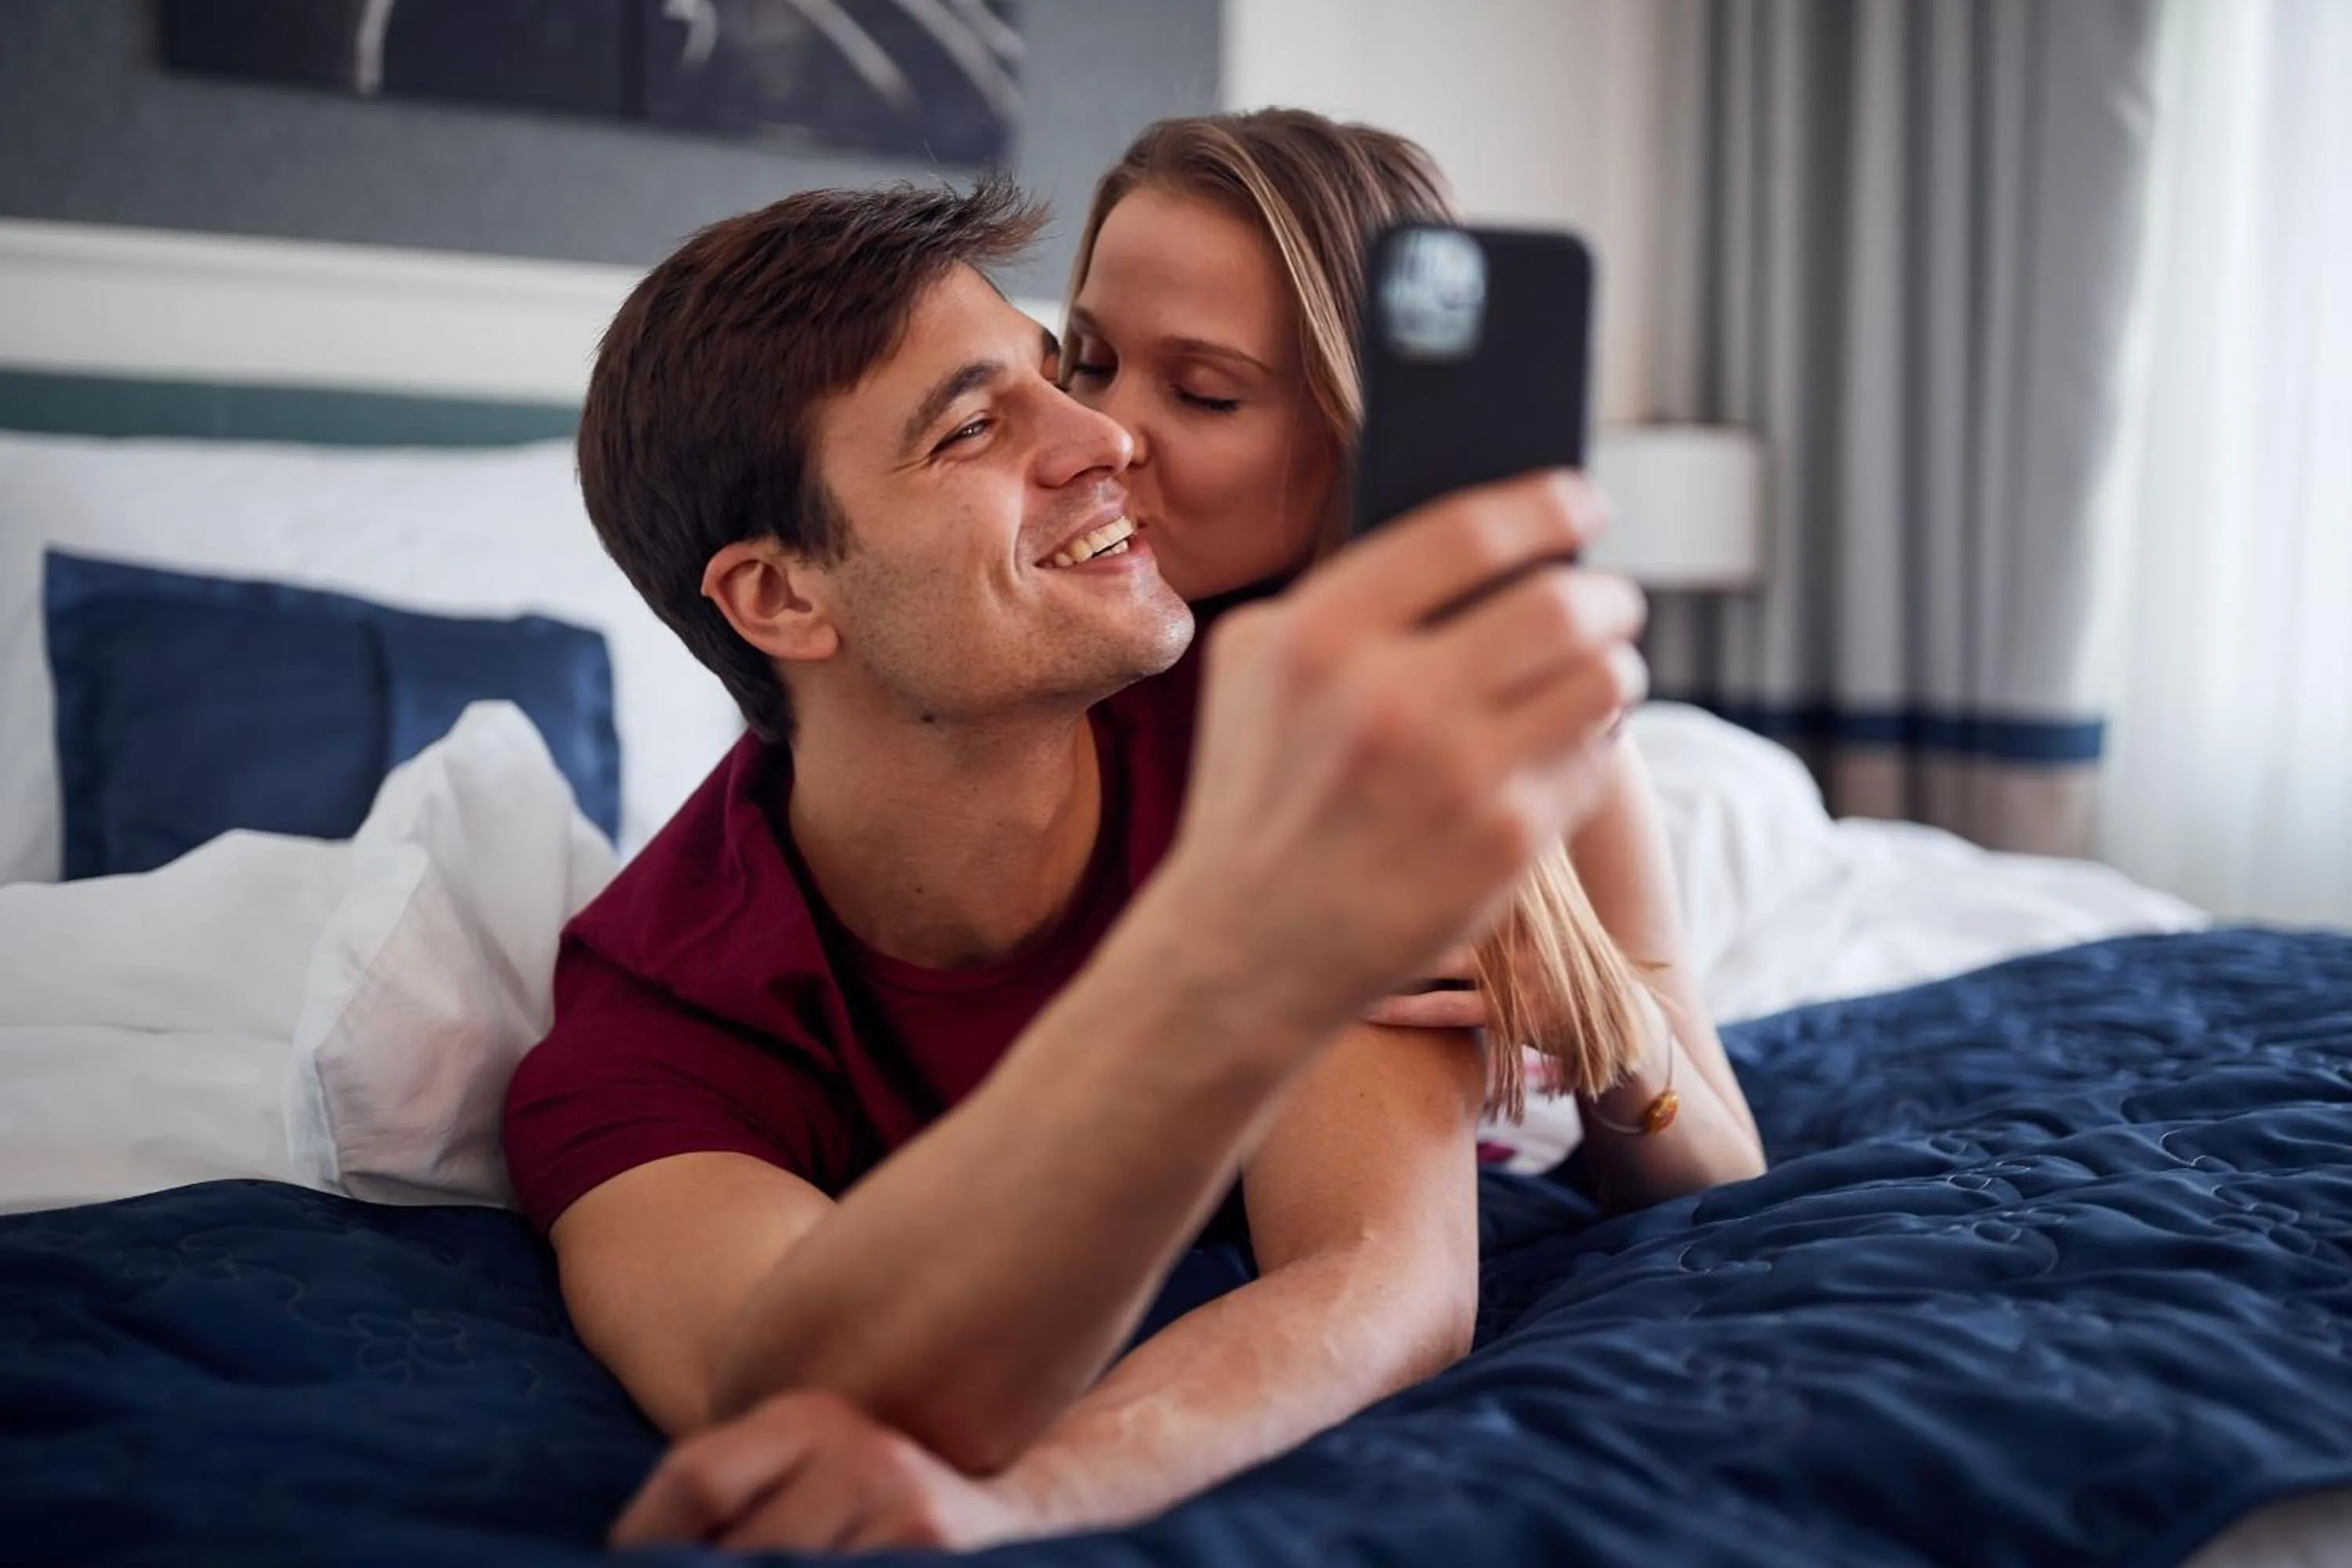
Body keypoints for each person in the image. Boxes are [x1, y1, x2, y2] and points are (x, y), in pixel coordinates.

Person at [503, 176, 1646, 1553]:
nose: (1106, 437)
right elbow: (790, 1395)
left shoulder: (1277, 727)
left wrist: (1026, 1497)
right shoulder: (652, 1029)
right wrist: (1237, 955)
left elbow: (1381, 1275)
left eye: (1059, 378)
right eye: (975, 427)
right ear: (781, 596)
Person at [1058, 109, 1766, 1206]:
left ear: (1358, 430)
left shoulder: (1519, 725)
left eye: (1202, 391)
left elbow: (1723, 1175)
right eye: (1089, 360)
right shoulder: (1024, 685)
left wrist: (1610, 1029)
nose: (1103, 433)